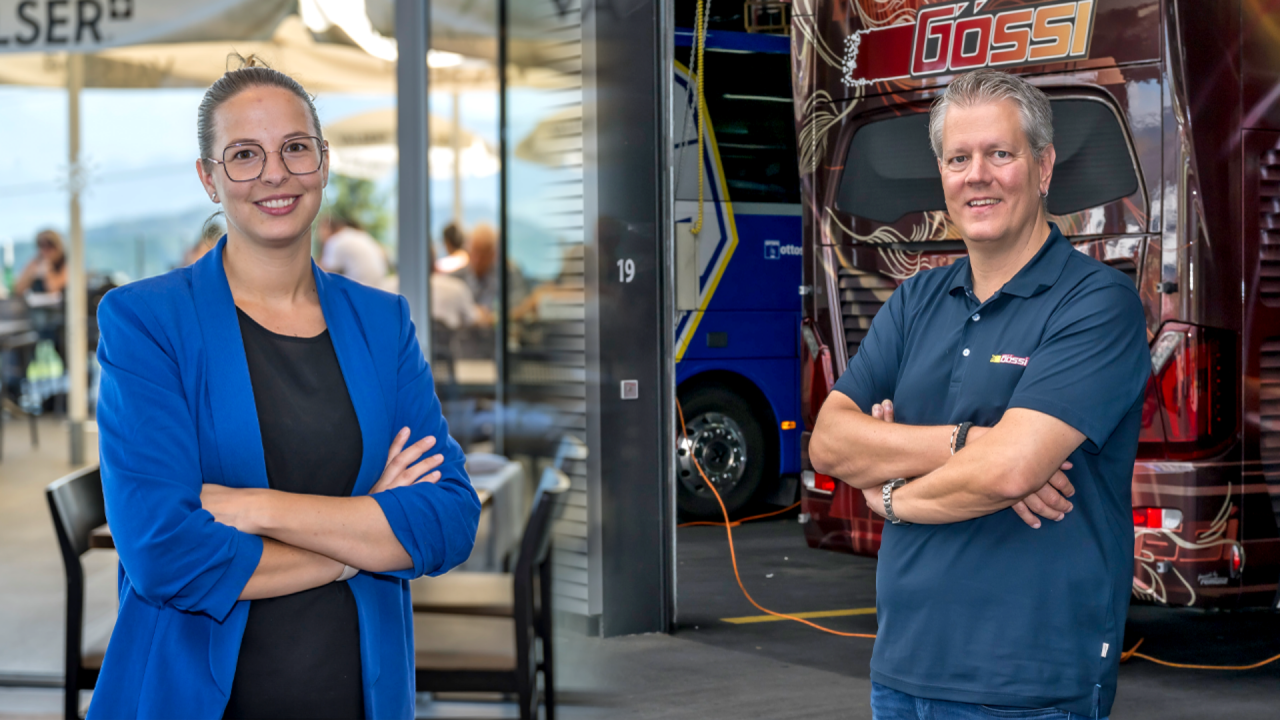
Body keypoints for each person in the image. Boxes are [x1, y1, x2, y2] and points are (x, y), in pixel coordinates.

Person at [90, 55, 480, 720]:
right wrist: (359, 543)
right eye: (243, 154)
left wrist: (258, 507)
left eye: (295, 148)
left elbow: (448, 520)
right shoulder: (145, 322)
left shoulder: (382, 323)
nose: (274, 172)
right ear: (210, 179)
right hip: (194, 700)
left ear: (323, 164)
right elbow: (164, 554)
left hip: (359, 695)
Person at [809, 69, 1149, 720]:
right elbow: (830, 440)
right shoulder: (915, 301)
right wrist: (966, 442)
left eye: (1001, 153)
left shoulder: (1095, 303)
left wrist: (889, 494)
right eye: (959, 158)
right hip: (902, 671)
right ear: (942, 174)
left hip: (1031, 682)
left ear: (1043, 167)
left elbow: (1011, 471)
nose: (977, 175)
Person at [318, 211, 389, 287]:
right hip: (378, 285)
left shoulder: (334, 241)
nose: (318, 236)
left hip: (361, 288)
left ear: (327, 229)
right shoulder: (356, 234)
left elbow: (323, 275)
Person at [13, 229, 68, 297]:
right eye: (41, 245)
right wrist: (31, 275)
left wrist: (47, 271)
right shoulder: (36, 262)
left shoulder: (67, 263)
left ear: (58, 246)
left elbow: (53, 288)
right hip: (37, 305)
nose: (45, 249)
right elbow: (17, 290)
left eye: (49, 244)